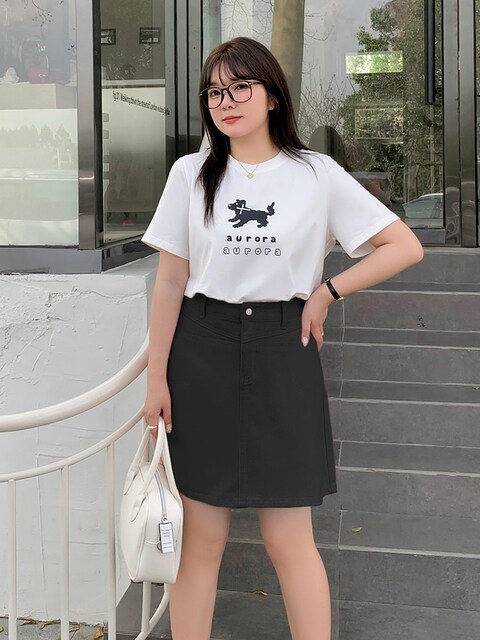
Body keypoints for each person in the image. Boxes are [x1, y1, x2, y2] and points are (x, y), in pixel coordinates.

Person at [142, 36, 423, 640]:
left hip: (281, 350)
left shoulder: (315, 173)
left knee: (289, 538)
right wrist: (156, 378)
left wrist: (327, 292)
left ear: (272, 96)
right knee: (201, 539)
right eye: (214, 92)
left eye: (240, 87)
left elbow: (404, 245)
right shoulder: (190, 174)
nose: (226, 101)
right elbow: (170, 281)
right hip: (202, 351)